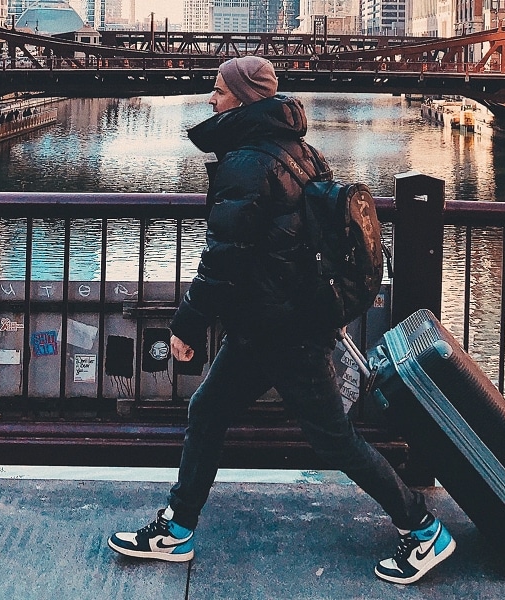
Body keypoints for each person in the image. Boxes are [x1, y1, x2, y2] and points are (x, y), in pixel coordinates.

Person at [107, 55, 455, 585]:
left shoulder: (246, 163)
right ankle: (177, 528)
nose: (211, 100)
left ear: (244, 99)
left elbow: (225, 257)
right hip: (274, 325)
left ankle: (424, 529)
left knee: (334, 439)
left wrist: (187, 323)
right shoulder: (301, 153)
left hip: (284, 331)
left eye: (219, 91)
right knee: (207, 412)